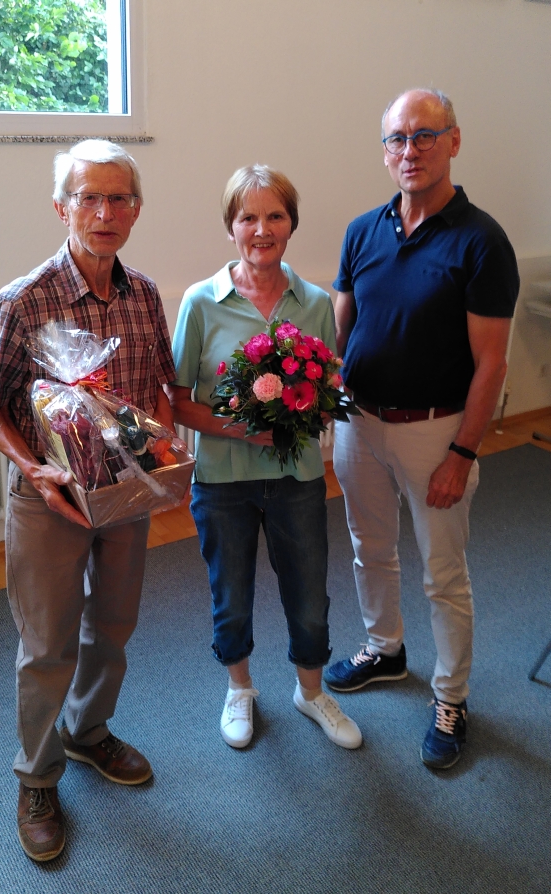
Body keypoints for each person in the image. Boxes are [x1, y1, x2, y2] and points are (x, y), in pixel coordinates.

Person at [0, 140, 176, 861]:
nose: (104, 212)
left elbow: (157, 385)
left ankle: (88, 732)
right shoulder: (23, 300)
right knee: (47, 643)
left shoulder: (146, 294)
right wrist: (39, 467)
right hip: (48, 499)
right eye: (88, 198)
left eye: (119, 198)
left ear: (137, 210)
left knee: (113, 626)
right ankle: (36, 776)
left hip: (124, 492)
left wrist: (163, 442)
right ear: (61, 207)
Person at [324, 89, 519, 769]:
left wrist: (463, 452)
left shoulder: (482, 241)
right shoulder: (362, 230)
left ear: (454, 142)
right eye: (396, 139)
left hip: (436, 432)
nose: (409, 150)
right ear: (384, 151)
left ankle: (452, 696)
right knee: (368, 547)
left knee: (444, 574)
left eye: (424, 136)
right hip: (360, 424)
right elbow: (341, 332)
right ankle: (384, 649)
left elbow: (492, 362)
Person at [166, 165, 362, 752]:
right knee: (231, 592)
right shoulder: (202, 303)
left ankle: (311, 690)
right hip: (223, 480)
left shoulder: (317, 304)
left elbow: (328, 388)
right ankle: (241, 689)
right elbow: (178, 401)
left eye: (275, 215)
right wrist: (241, 429)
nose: (261, 228)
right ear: (231, 227)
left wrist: (314, 411)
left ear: (291, 224)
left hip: (297, 477)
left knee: (308, 592)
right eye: (247, 216)